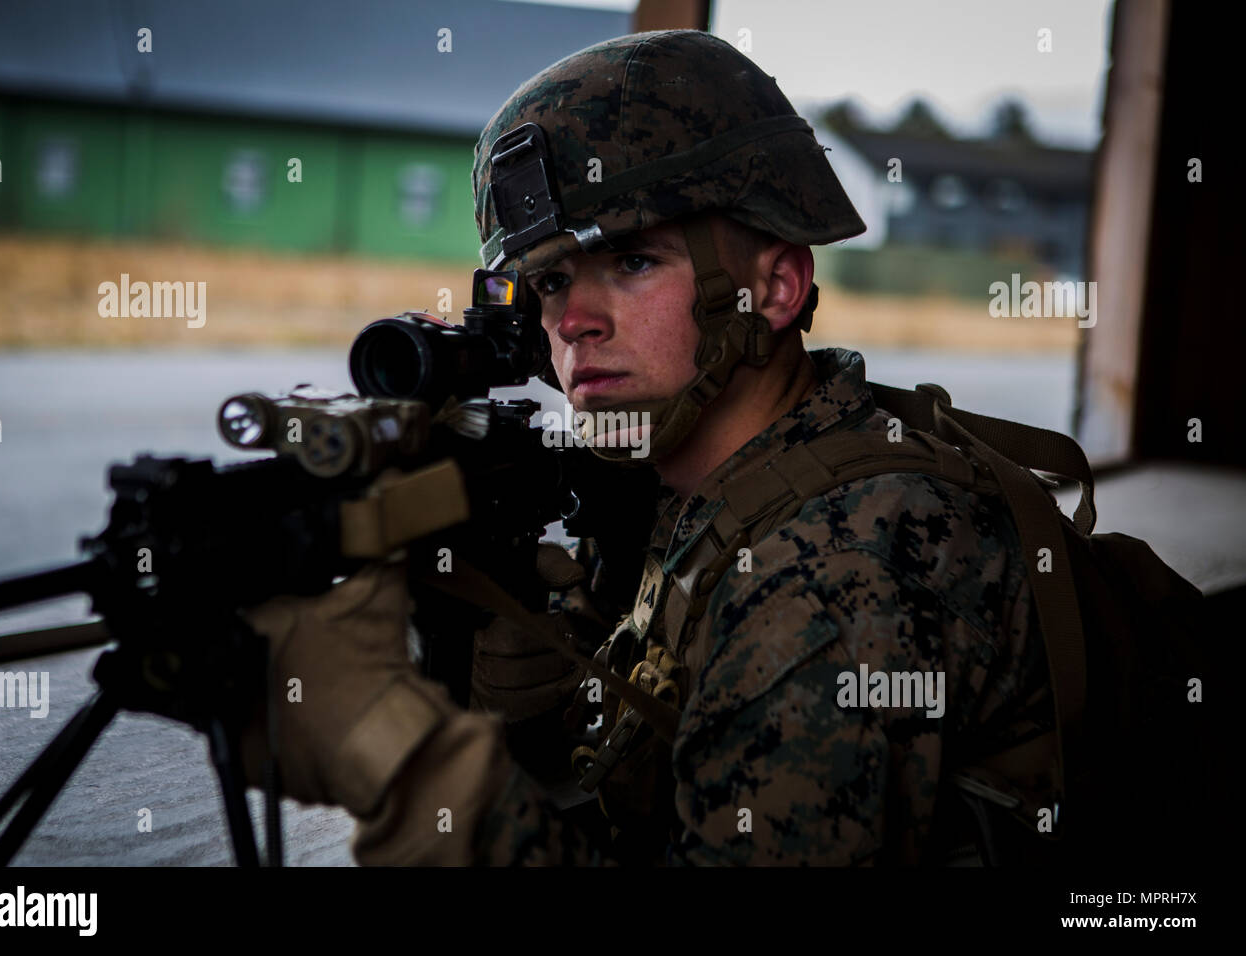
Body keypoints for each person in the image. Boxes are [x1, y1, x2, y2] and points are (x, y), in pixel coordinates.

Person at [238, 29, 1057, 866]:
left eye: (631, 261)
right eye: (549, 282)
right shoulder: (723, 488)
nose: (571, 321)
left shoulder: (837, 577)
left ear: (775, 287)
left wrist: (402, 761)